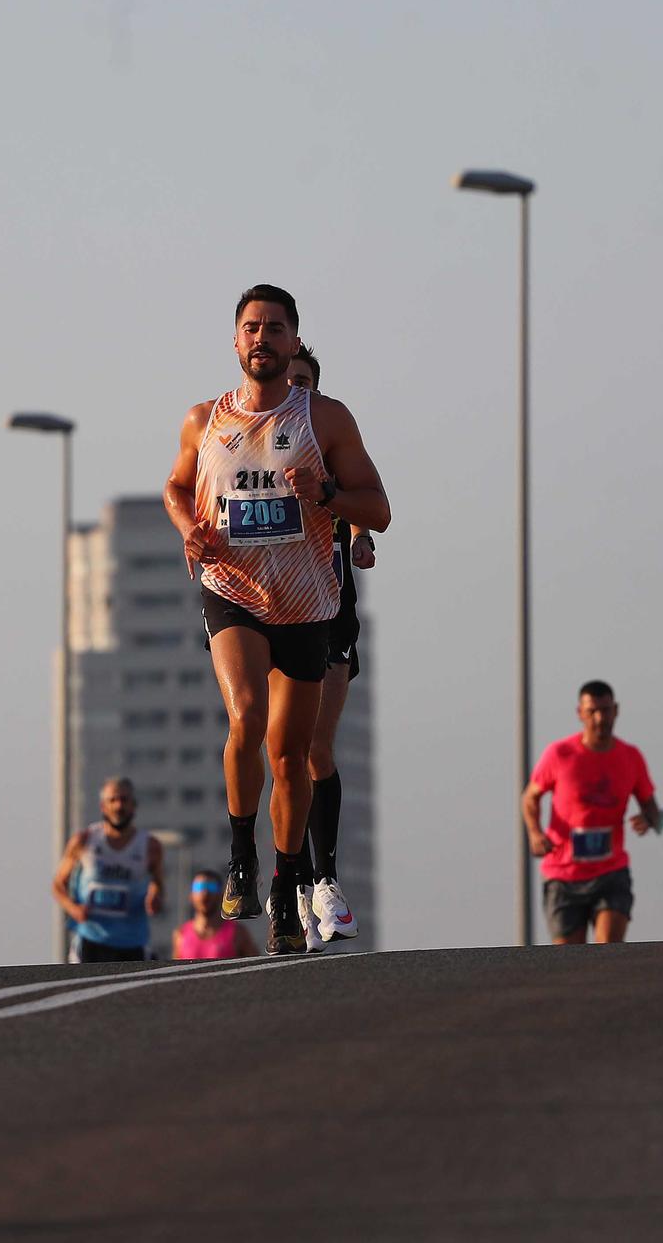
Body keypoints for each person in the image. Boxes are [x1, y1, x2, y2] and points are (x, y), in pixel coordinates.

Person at [161, 285, 390, 954]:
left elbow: (378, 507)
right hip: (231, 588)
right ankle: (241, 852)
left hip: (306, 600)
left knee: (290, 755)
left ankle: (287, 882)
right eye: (251, 328)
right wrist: (188, 528)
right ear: (235, 342)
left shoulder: (327, 419)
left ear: (294, 342)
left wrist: (325, 493)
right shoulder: (205, 421)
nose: (262, 338)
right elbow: (176, 486)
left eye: (276, 328)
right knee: (246, 718)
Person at [283, 347, 368, 952]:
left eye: (306, 383)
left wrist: (359, 539)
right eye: (288, 382)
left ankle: (325, 880)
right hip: (267, 606)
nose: (296, 391)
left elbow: (366, 505)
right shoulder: (246, 444)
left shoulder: (331, 441)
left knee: (316, 745)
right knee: (278, 745)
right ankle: (288, 880)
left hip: (330, 605)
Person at [522, 680, 662, 945]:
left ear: (616, 710)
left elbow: (652, 806)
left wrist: (648, 819)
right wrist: (534, 832)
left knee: (606, 950)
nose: (600, 719)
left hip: (611, 871)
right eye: (592, 712)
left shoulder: (630, 757)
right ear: (580, 714)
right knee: (570, 962)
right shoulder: (559, 754)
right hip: (563, 875)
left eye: (606, 710)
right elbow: (530, 797)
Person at [52, 777, 164, 963]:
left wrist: (155, 897)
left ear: (133, 805)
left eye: (124, 800)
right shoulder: (84, 841)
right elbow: (58, 884)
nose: (119, 806)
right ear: (103, 806)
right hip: (91, 939)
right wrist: (73, 909)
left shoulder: (150, 846)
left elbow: (158, 884)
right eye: (113, 800)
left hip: (132, 941)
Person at [172, 870, 259, 959]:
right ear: (191, 895)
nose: (205, 893)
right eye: (198, 887)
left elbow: (256, 967)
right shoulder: (181, 935)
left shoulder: (238, 933)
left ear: (222, 894)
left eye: (211, 887)